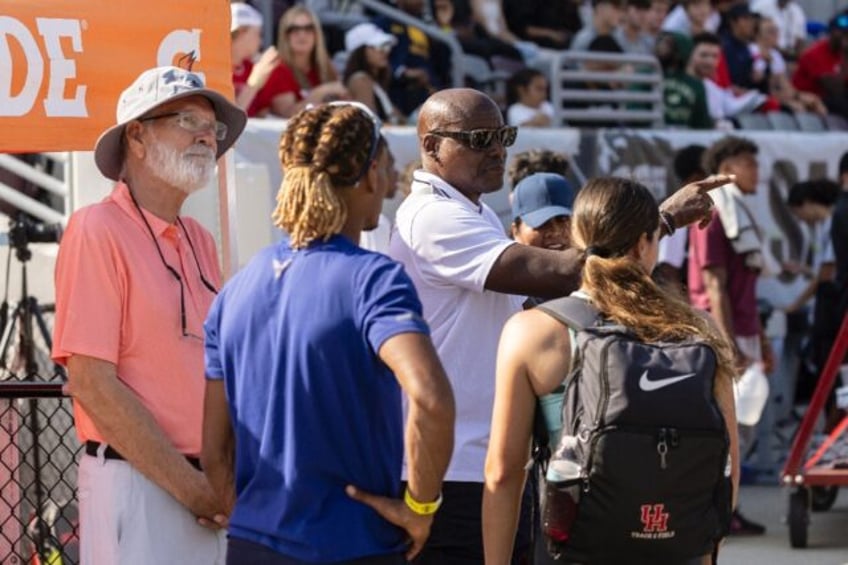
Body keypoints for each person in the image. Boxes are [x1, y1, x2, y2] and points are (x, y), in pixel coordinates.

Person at [388, 86, 726, 564]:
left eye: (503, 135)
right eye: (480, 138)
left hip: (478, 462)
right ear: (431, 147)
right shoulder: (433, 216)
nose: (497, 150)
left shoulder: (472, 210)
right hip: (455, 469)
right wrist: (660, 220)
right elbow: (558, 272)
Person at [201, 102, 455, 563]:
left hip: (252, 545)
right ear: (371, 174)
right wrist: (421, 507)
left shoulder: (234, 291)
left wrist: (255, 523)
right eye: (389, 166)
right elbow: (432, 399)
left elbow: (215, 453)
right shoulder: (374, 280)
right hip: (353, 545)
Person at [482, 176, 739, 565]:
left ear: (576, 238)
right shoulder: (699, 332)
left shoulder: (534, 331)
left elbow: (503, 473)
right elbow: (725, 469)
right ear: (644, 244)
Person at [51, 66, 247, 563]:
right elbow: (92, 382)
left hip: (205, 488)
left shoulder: (199, 240)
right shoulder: (96, 228)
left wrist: (222, 478)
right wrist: (194, 486)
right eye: (188, 120)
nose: (208, 136)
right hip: (142, 484)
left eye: (213, 128)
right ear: (136, 136)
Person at [688, 136, 769, 536]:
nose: (757, 171)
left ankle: (727, 508)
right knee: (723, 430)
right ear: (727, 165)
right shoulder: (714, 212)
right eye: (748, 162)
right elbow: (713, 283)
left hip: (743, 330)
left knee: (741, 428)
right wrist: (727, 344)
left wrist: (759, 339)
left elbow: (741, 285)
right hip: (720, 334)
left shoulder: (740, 211)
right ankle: (715, 512)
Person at [252, 5, 348, 117]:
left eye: (308, 28)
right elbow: (288, 114)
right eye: (294, 29)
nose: (302, 35)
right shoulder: (278, 69)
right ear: (285, 36)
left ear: (317, 34)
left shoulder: (325, 67)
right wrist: (321, 92)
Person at [655, 144, 708, 298]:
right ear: (696, 179)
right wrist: (684, 315)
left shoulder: (705, 213)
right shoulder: (677, 214)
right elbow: (668, 272)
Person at [750, 16, 827, 115]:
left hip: (776, 94)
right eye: (770, 31)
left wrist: (799, 96)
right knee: (798, 108)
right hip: (758, 96)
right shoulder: (752, 51)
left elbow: (784, 84)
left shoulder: (775, 55)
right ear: (757, 35)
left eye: (777, 30)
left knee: (816, 104)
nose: (776, 35)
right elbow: (766, 86)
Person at [343, 22, 405, 124]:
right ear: (361, 51)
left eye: (387, 46)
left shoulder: (374, 82)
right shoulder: (361, 80)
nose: (385, 51)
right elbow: (370, 122)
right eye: (379, 46)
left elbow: (398, 118)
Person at [230, 2, 281, 116]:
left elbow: (262, 114)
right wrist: (253, 84)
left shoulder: (252, 67)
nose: (260, 41)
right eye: (258, 34)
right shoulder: (217, 70)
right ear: (242, 32)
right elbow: (229, 122)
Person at [658, 32, 714, 129]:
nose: (664, 47)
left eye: (669, 44)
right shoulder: (647, 75)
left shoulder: (696, 84)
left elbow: (702, 124)